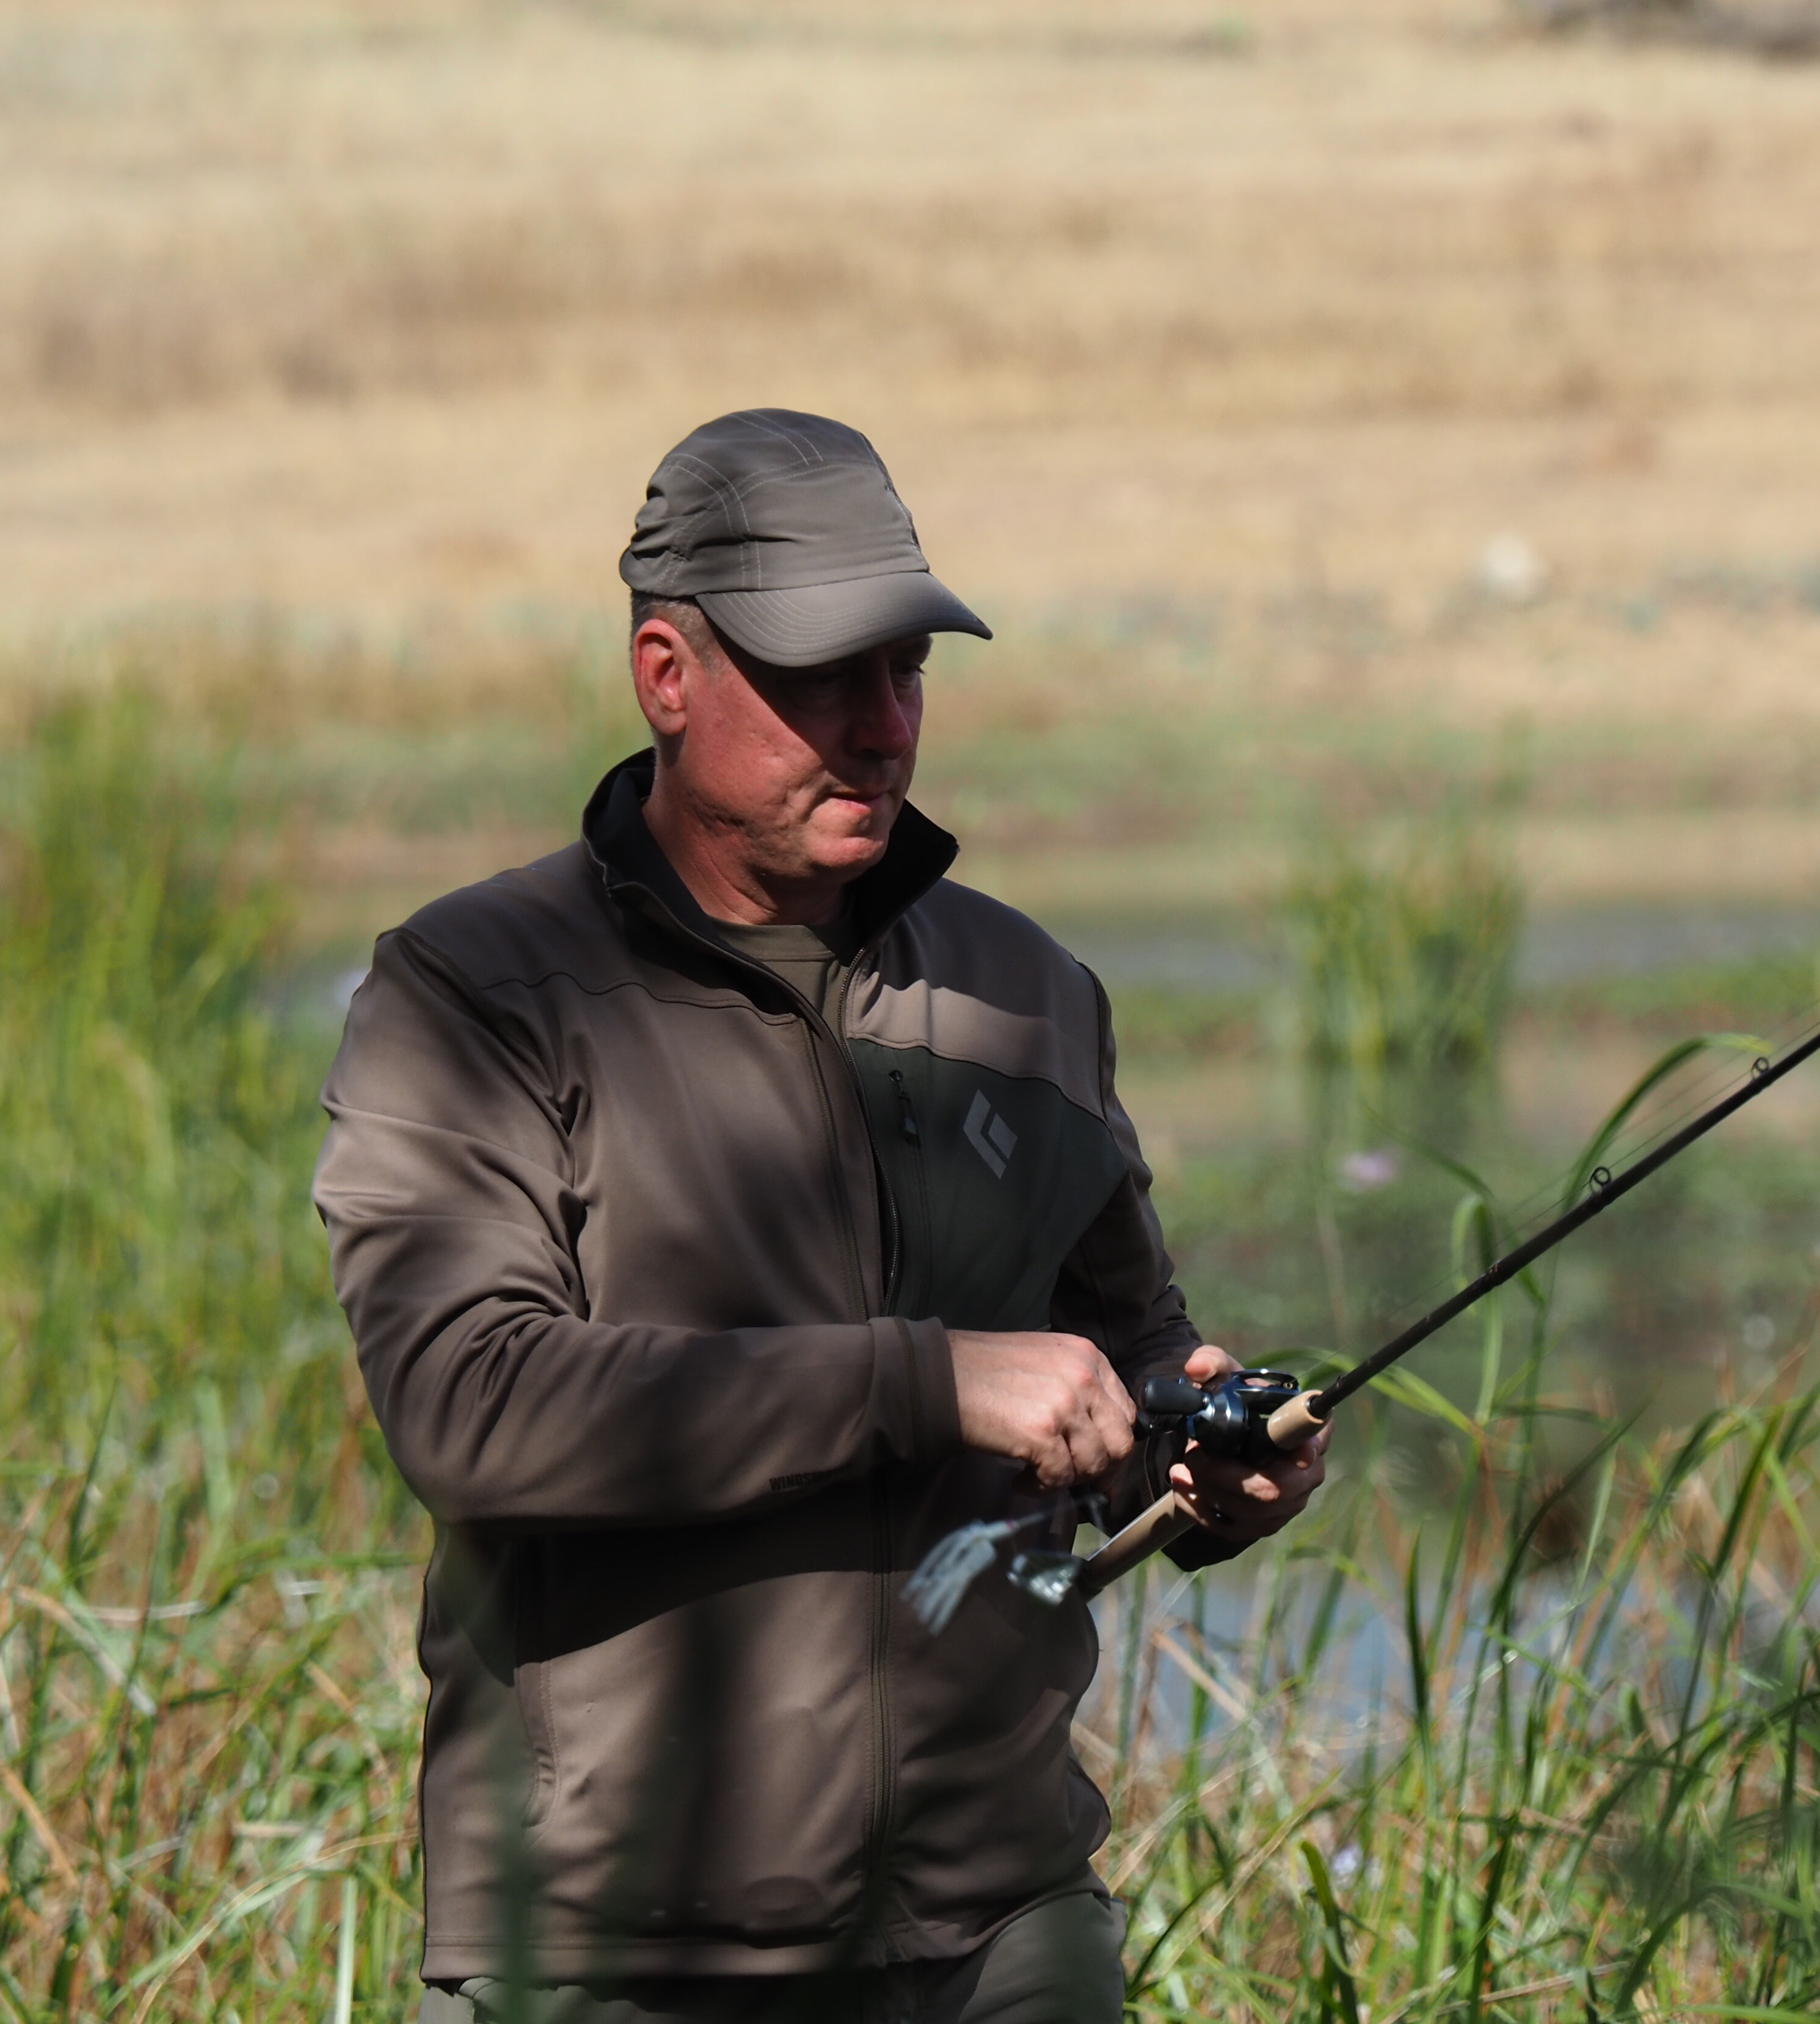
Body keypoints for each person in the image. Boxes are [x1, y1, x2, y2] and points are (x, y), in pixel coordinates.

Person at [316, 407, 1329, 2024]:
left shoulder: (1027, 991)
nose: (879, 725)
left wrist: (1206, 1439)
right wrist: (927, 1379)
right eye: (819, 677)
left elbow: (1119, 1345)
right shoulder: (474, 994)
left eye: (908, 669)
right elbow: (468, 1405)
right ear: (666, 674)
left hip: (1001, 1924)